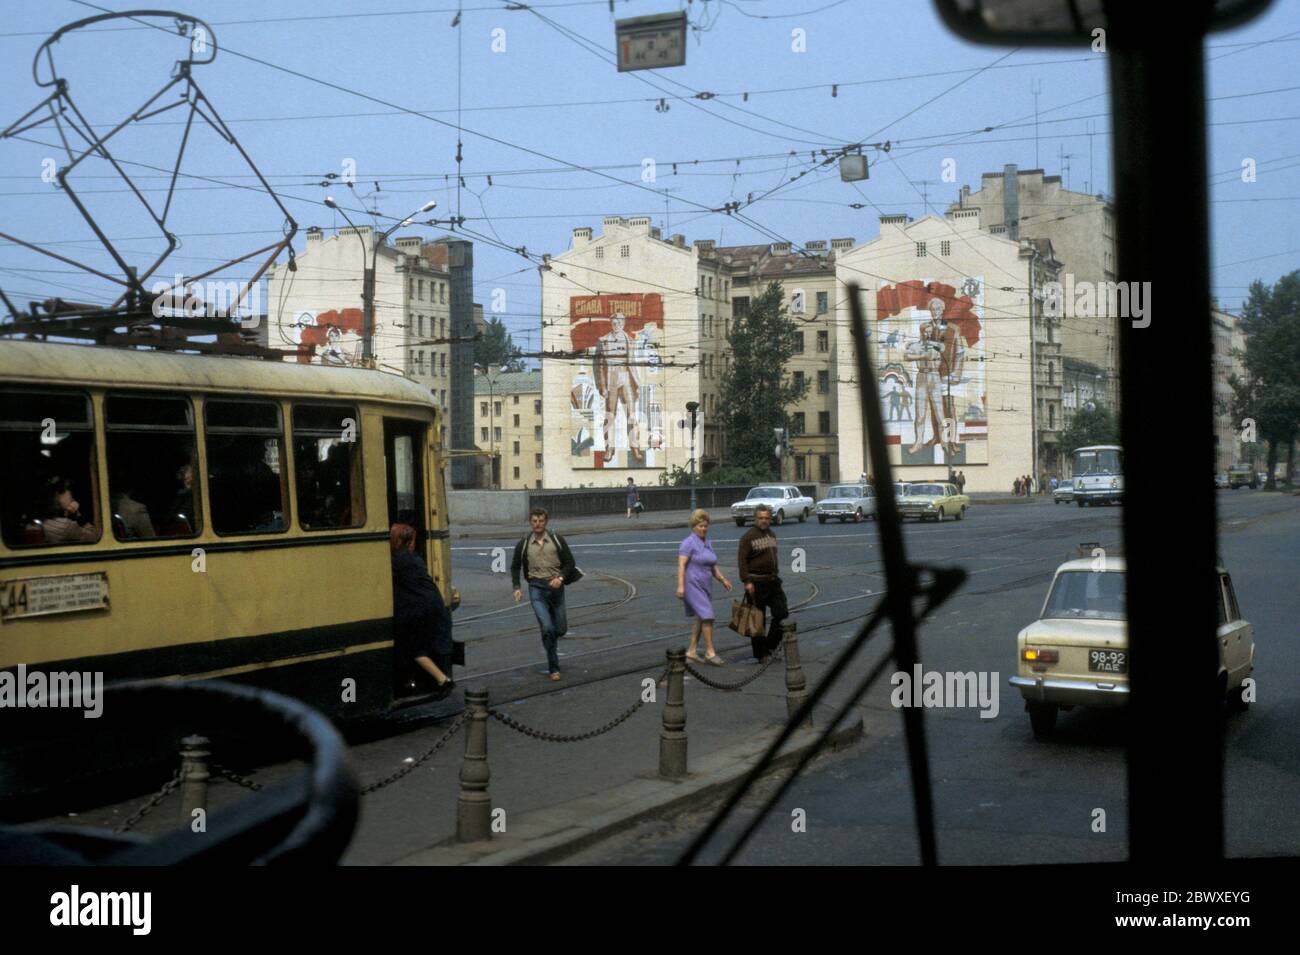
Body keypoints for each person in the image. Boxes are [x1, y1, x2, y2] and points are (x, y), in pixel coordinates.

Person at [390, 523, 455, 699]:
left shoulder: (397, 561)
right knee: (415, 645)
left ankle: (443, 680)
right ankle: (411, 681)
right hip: (432, 605)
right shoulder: (414, 558)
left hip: (419, 609)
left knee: (413, 649)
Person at [511, 507, 577, 681]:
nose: (537, 524)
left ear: (546, 522)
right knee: (547, 628)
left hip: (556, 588)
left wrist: (561, 577)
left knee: (560, 629)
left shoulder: (556, 539)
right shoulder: (524, 543)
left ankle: (549, 637)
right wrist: (517, 586)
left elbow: (570, 563)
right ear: (530, 522)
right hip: (536, 588)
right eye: (534, 521)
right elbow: (515, 566)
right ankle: (553, 668)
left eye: (540, 521)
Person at [676, 509, 731, 665]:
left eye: (705, 526)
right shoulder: (688, 543)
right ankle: (710, 652)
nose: (703, 529)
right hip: (691, 584)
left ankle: (692, 651)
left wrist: (722, 579)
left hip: (705, 584)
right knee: (708, 615)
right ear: (694, 526)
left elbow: (712, 565)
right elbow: (681, 565)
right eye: (700, 526)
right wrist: (680, 586)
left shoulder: (707, 543)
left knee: (701, 617)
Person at [737, 504, 788, 663]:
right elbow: (742, 561)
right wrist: (747, 581)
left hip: (772, 581)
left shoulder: (772, 534)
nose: (764, 521)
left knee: (782, 613)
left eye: (766, 518)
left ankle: (770, 645)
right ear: (755, 518)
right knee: (757, 621)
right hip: (756, 583)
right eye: (761, 518)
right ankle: (761, 654)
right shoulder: (748, 537)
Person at [593, 313, 640, 464]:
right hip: (611, 378)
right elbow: (598, 366)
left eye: (619, 322)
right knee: (609, 416)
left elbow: (633, 364)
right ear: (611, 324)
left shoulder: (630, 341)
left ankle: (635, 447)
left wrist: (637, 385)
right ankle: (609, 448)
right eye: (614, 323)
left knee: (631, 415)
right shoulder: (603, 341)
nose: (617, 325)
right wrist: (601, 387)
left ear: (623, 323)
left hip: (626, 377)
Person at [41, 477, 99, 544]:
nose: (72, 498)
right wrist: (78, 515)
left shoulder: (45, 521)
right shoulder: (67, 526)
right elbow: (95, 537)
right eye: (70, 494)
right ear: (57, 496)